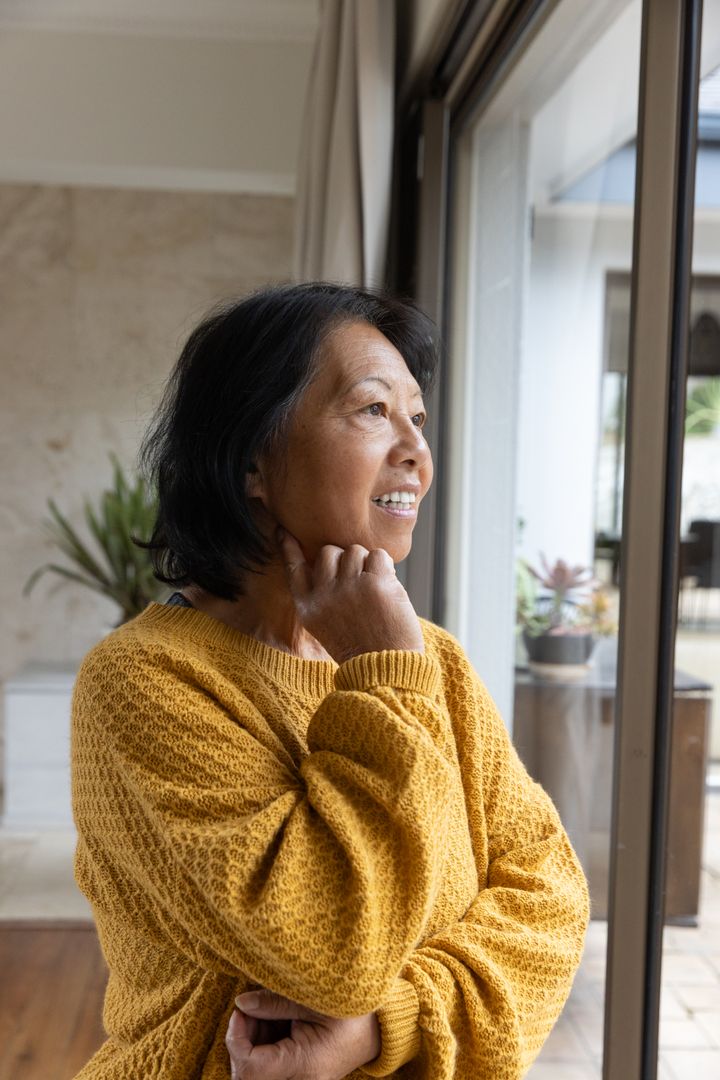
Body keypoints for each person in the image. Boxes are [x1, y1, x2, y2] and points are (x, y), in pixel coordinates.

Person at [71, 283, 589, 1080]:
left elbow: (550, 896)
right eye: (374, 410)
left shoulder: (429, 664)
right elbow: (334, 948)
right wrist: (381, 675)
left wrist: (389, 1025)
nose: (415, 448)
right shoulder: (146, 681)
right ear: (252, 458)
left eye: (418, 417)